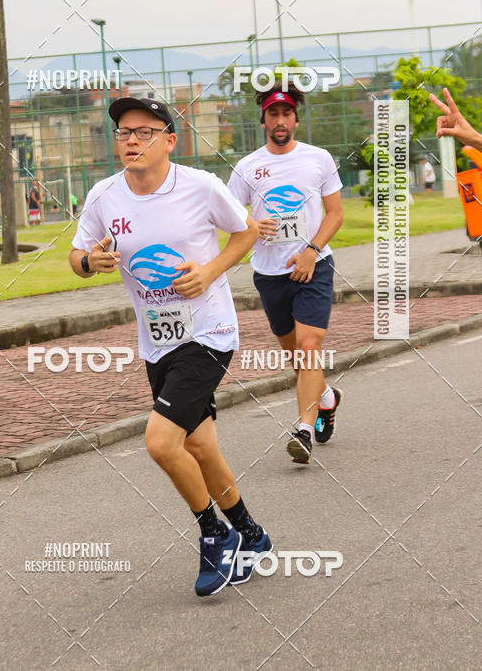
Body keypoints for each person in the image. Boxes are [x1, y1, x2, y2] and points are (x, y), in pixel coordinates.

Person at [69, 97, 270, 597]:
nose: (131, 140)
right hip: (158, 342)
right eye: (123, 132)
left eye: (144, 132)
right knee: (199, 445)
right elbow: (76, 255)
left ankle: (215, 534)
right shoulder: (104, 195)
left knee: (161, 442)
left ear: (169, 141)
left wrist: (210, 271)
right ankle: (251, 534)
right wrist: (90, 263)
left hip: (208, 333)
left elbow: (246, 231)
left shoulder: (200, 186)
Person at [227, 83, 344, 466]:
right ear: (263, 120)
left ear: (295, 119)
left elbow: (335, 214)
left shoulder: (318, 159)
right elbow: (230, 215)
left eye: (287, 113)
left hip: (314, 266)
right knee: (296, 356)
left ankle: (304, 431)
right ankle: (326, 398)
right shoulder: (247, 167)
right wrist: (251, 224)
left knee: (309, 347)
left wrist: (311, 251)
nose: (280, 120)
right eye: (273, 114)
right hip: (269, 272)